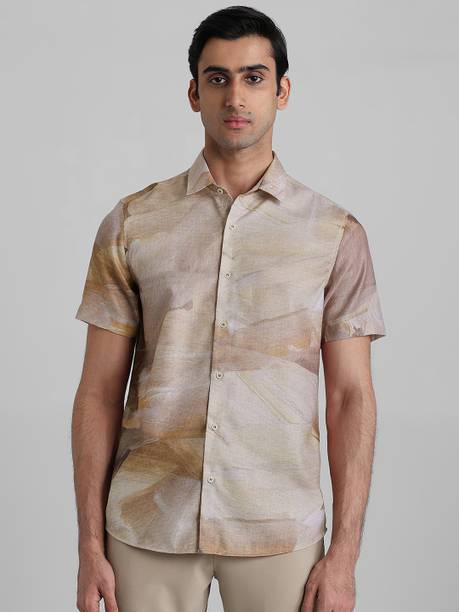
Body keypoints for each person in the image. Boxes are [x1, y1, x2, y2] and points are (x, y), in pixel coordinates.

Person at [72, 6, 387, 612]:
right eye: (217, 78)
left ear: (282, 91)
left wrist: (345, 553)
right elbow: (99, 391)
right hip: (148, 524)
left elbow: (351, 396)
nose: (235, 96)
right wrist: (89, 544)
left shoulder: (335, 234)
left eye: (253, 77)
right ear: (194, 93)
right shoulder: (133, 223)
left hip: (280, 528)